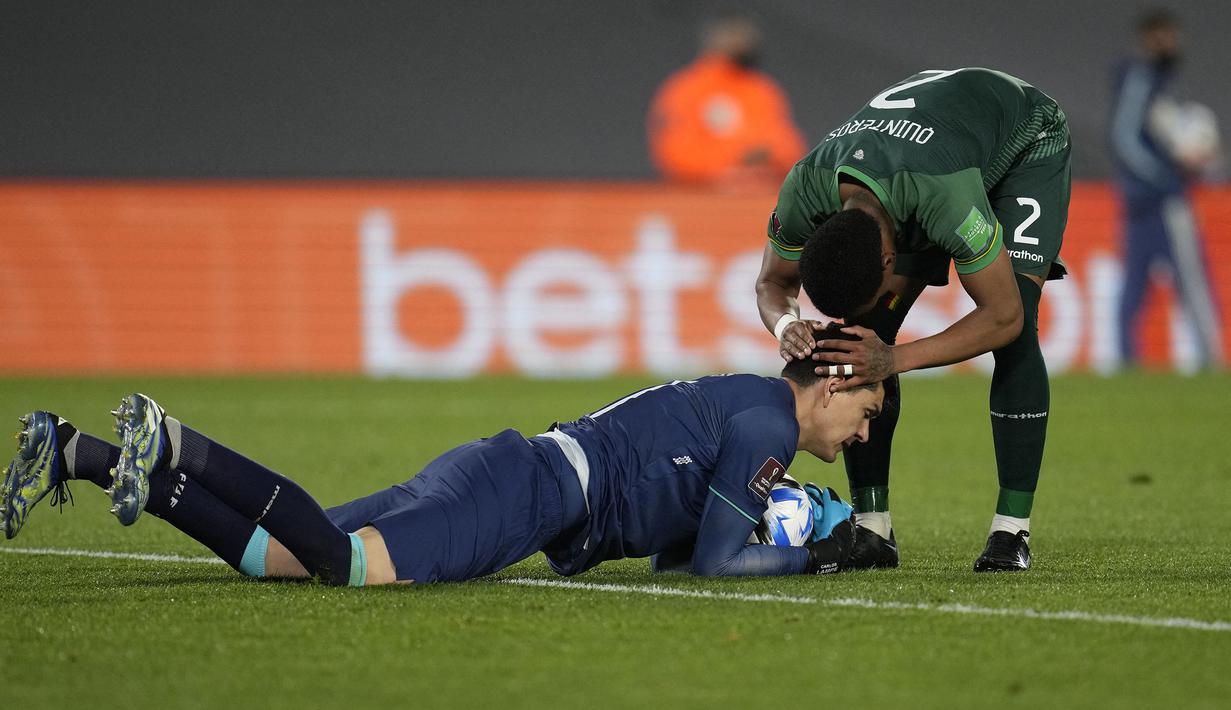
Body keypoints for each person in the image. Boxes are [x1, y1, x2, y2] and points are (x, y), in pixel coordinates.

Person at [1, 327, 883, 585]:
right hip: (526, 493)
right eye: (868, 406)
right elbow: (720, 566)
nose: (864, 432)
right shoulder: (769, 426)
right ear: (834, 384)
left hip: (511, 470)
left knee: (280, 559)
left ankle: (81, 452)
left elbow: (674, 549)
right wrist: (815, 556)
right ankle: (178, 439)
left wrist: (768, 516)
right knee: (344, 567)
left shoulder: (752, 404)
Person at [755, 67, 1072, 572]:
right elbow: (773, 284)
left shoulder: (943, 197)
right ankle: (873, 529)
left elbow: (1002, 316)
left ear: (890, 259)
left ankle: (1011, 532)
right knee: (865, 334)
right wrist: (784, 324)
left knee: (1018, 326)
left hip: (1023, 139)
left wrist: (894, 358)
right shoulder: (804, 188)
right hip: (921, 157)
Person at [1110, 8, 1223, 369]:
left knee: (1135, 285)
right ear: (1149, 38)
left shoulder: (1158, 82)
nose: (1172, 42)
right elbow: (1123, 136)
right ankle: (1210, 360)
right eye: (1165, 35)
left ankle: (1129, 363)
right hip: (1159, 200)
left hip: (1140, 200)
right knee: (1189, 279)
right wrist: (1164, 176)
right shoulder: (1143, 77)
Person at [646, 11, 806, 188]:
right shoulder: (686, 90)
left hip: (760, 198)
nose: (743, 41)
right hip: (701, 200)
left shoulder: (762, 90)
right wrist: (735, 161)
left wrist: (768, 156)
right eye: (733, 34)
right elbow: (674, 154)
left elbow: (789, 148)